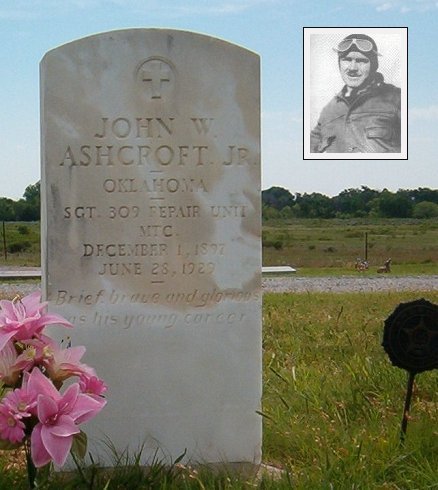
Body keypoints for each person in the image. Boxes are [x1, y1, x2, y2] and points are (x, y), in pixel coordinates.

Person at [310, 34, 401, 153]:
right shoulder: (329, 110)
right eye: (347, 60)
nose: (353, 68)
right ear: (339, 64)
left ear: (374, 65)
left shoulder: (397, 99)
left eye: (361, 61)